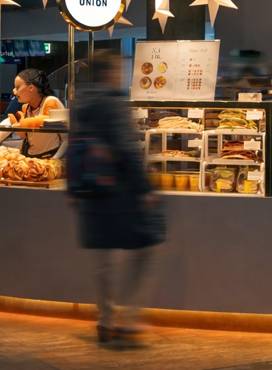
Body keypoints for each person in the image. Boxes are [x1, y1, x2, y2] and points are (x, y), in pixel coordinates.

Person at [69, 50, 163, 342]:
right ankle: (130, 317)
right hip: (118, 191)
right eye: (119, 70)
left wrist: (72, 188)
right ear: (108, 73)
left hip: (90, 190)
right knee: (145, 250)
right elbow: (127, 150)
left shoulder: (80, 103)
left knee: (103, 261)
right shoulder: (112, 103)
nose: (122, 75)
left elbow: (73, 146)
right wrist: (144, 189)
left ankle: (106, 319)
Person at [11, 69, 65, 157]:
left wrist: (54, 160)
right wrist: (16, 127)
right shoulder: (26, 108)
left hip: (49, 156)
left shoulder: (51, 102)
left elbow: (66, 139)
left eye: (17, 87)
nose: (14, 91)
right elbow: (30, 136)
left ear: (31, 88)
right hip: (29, 156)